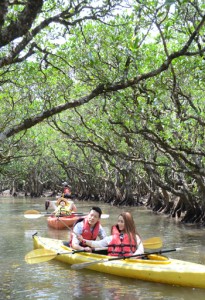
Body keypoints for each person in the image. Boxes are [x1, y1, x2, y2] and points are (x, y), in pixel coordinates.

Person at [78, 211, 144, 257]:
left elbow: (141, 250)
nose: (119, 223)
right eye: (118, 221)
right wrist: (84, 241)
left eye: (122, 222)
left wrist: (132, 257)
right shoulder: (112, 237)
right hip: (115, 260)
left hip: (131, 260)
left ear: (128, 223)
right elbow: (98, 244)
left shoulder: (135, 237)